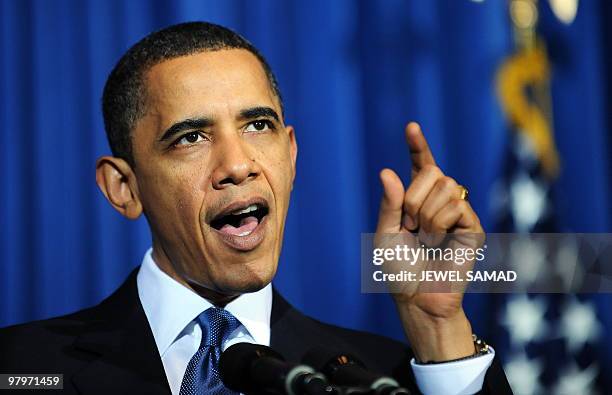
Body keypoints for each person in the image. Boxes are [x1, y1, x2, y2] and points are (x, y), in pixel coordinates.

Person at [0, 22, 512, 395]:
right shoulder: (22, 368)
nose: (238, 164)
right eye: (191, 137)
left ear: (290, 156)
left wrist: (438, 328)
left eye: (257, 126)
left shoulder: (383, 377)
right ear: (123, 188)